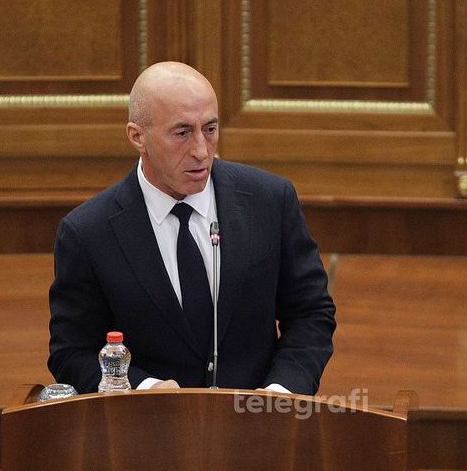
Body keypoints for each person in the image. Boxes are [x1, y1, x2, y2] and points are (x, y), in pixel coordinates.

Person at [48, 61, 335, 395]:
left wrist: (280, 392)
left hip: (259, 417)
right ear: (137, 136)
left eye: (210, 129)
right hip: (149, 423)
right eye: (182, 133)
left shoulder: (270, 201)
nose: (201, 150)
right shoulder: (88, 233)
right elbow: (72, 353)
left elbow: (310, 313)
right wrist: (144, 390)